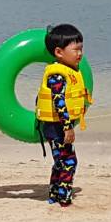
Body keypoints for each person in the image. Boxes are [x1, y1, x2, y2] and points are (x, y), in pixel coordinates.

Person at [36, 24, 92, 207]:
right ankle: (64, 199)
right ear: (59, 52)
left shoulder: (69, 71)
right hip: (57, 126)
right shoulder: (57, 75)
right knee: (69, 161)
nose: (80, 53)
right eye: (76, 49)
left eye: (81, 48)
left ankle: (54, 196)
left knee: (61, 161)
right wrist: (67, 126)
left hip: (57, 125)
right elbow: (58, 101)